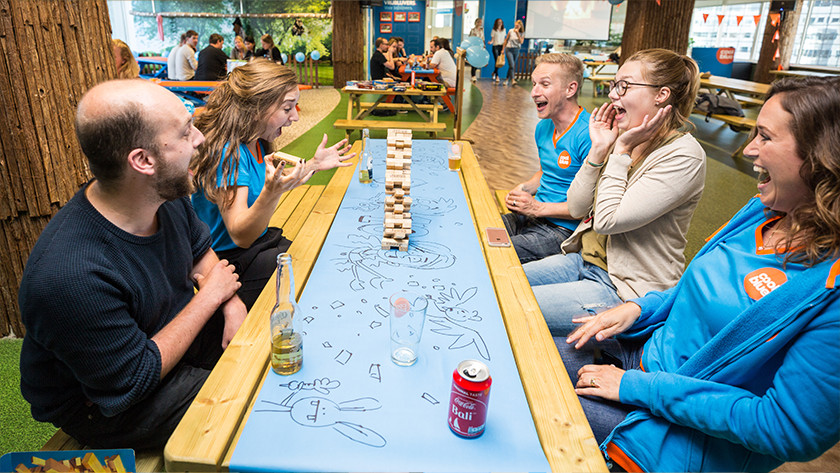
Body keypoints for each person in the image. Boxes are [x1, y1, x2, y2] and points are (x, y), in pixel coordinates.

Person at [559, 75, 840, 472]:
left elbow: (787, 429)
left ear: (820, 158)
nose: (750, 149)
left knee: (538, 401)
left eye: (765, 137)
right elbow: (698, 288)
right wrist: (642, 309)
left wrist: (638, 388)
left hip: (671, 432)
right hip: (643, 360)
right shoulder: (762, 210)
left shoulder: (830, 291)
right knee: (533, 352)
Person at [18, 79, 246, 449]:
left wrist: (231, 303)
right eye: (186, 132)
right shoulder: (68, 276)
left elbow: (201, 250)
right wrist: (210, 298)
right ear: (143, 161)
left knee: (272, 327)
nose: (200, 139)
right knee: (250, 407)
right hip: (111, 403)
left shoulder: (162, 196)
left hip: (163, 337)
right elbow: (133, 380)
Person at [524, 49, 706, 335]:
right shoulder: (621, 136)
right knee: (502, 280)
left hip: (623, 289)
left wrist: (619, 151)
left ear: (661, 95)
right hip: (582, 260)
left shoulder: (683, 156)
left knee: (514, 305)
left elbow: (609, 220)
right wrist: (599, 150)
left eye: (624, 86)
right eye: (614, 85)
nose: (612, 95)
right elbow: (576, 207)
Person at [190, 60, 354, 309]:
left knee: (318, 256)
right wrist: (271, 193)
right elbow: (240, 235)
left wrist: (312, 165)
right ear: (256, 108)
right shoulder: (228, 152)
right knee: (308, 275)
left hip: (258, 243)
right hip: (230, 262)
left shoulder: (254, 142)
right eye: (287, 108)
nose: (295, 117)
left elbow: (273, 183)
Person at [502, 53, 590, 263]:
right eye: (534, 84)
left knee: (496, 252)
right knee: (482, 232)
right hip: (535, 216)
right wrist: (523, 189)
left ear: (571, 89)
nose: (534, 92)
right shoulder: (543, 127)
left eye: (544, 84)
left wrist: (536, 208)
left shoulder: (588, 134)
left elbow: (592, 207)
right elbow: (546, 172)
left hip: (563, 230)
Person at [502, 20, 524, 86]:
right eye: (515, 25)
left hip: (516, 50)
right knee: (512, 65)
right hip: (509, 49)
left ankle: (506, 80)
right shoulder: (510, 31)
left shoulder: (522, 33)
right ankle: (512, 80)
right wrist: (503, 49)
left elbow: (521, 42)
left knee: (511, 66)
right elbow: (506, 40)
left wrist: (517, 34)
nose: (516, 26)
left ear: (520, 26)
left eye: (517, 25)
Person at [488, 18, 505, 83]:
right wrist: (490, 42)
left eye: (501, 22)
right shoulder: (494, 30)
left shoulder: (504, 30)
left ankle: (494, 72)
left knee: (499, 62)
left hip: (501, 46)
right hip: (495, 46)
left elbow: (504, 40)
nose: (500, 23)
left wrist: (503, 49)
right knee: (497, 61)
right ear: (496, 23)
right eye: (498, 22)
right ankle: (497, 75)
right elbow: (492, 39)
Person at [468, 18, 484, 82]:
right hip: (474, 47)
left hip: (480, 47)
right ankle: (473, 75)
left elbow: (483, 38)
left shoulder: (482, 30)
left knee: (478, 62)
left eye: (480, 22)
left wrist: (483, 46)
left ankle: (474, 74)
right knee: (473, 61)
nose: (479, 23)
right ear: (476, 23)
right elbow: (470, 38)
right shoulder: (473, 30)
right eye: (478, 22)